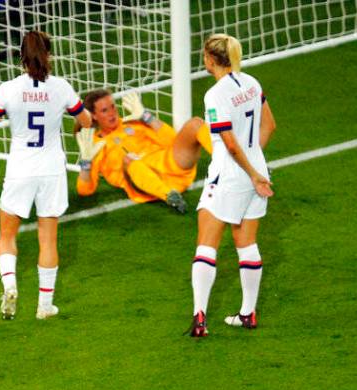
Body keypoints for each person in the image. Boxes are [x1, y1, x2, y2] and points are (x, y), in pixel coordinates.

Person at [0, 30, 91, 320]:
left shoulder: (9, 89)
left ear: (21, 57)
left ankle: (10, 286)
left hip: (21, 169)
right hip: (52, 169)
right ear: (48, 54)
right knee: (48, 239)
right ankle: (45, 306)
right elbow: (86, 120)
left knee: (6, 235)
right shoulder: (61, 87)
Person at [188, 33, 276, 337]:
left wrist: (248, 172)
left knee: (206, 245)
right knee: (247, 244)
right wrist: (256, 167)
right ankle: (247, 314)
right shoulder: (252, 82)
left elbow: (230, 145)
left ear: (211, 59)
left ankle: (199, 318)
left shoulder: (215, 95)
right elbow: (269, 124)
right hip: (257, 172)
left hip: (231, 174)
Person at [74, 89, 213, 213]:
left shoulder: (132, 122)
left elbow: (173, 142)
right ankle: (170, 196)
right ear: (94, 116)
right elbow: (85, 190)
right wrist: (86, 163)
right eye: (104, 110)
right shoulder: (94, 146)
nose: (112, 113)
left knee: (195, 124)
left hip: (173, 172)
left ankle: (227, 159)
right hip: (145, 187)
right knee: (129, 159)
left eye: (113, 107)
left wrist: (147, 117)